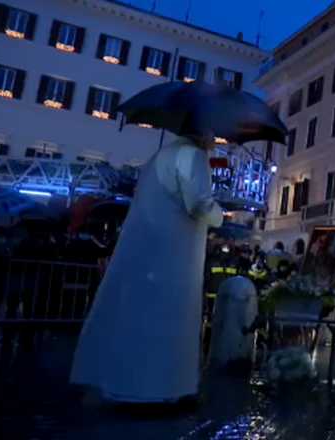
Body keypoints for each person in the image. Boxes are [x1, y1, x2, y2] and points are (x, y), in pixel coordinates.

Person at [70, 133, 224, 404]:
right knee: (167, 319)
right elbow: (200, 205)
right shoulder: (193, 156)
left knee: (139, 317)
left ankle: (125, 385)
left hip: (149, 251)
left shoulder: (160, 157)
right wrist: (220, 216)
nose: (216, 138)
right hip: (175, 255)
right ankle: (158, 391)